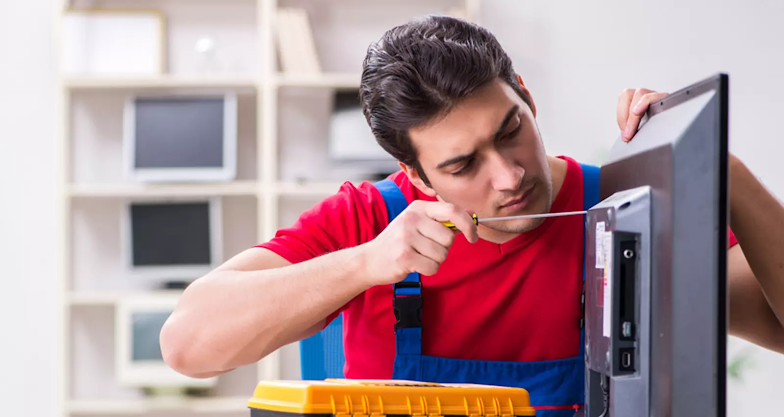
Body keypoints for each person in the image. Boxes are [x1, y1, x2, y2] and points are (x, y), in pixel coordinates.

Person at [160, 15, 784, 415]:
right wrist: (364, 264)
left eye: (511, 130)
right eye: (462, 166)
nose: (510, 177)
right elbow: (188, 345)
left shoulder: (623, 209)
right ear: (415, 176)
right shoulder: (365, 220)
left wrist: (720, 169)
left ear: (527, 97)